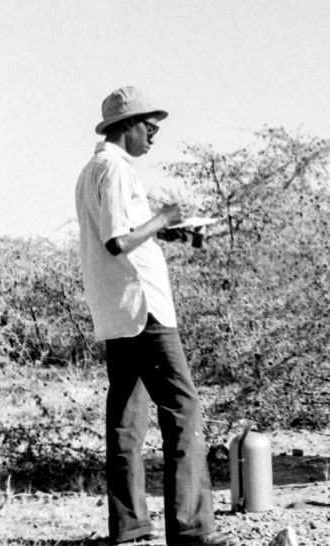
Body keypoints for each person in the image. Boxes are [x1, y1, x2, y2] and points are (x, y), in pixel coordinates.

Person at [75, 87, 238, 546]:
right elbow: (116, 241)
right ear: (127, 125)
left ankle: (129, 527)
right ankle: (191, 529)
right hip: (143, 309)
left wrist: (170, 232)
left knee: (127, 419)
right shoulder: (114, 169)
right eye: (149, 127)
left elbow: (126, 233)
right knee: (183, 410)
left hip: (119, 310)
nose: (153, 135)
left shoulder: (94, 170)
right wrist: (164, 217)